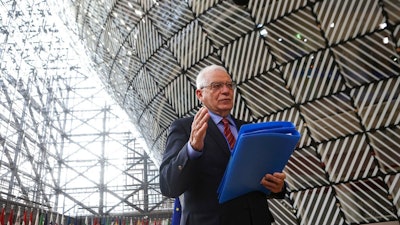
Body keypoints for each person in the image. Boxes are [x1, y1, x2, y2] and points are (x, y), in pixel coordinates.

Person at [159, 65, 287, 225]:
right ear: (200, 94)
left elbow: (260, 176)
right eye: (216, 86)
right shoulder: (185, 128)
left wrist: (278, 186)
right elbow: (169, 186)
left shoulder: (249, 129)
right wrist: (192, 149)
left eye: (229, 85)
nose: (226, 91)